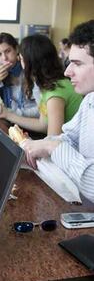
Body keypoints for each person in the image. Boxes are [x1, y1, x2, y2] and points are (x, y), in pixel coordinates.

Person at [23, 20, 94, 204]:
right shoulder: (90, 100)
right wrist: (39, 145)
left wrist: (51, 147)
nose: (68, 71)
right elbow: (69, 136)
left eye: (77, 64)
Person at [0, 34, 82, 136]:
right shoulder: (48, 84)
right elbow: (43, 124)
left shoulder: (55, 92)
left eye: (21, 59)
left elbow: (53, 139)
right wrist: (7, 115)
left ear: (30, 62)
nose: (19, 61)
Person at [0, 32, 40, 118]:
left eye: (8, 51)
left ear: (16, 49)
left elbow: (42, 110)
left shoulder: (29, 69)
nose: (4, 58)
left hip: (29, 123)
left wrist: (12, 114)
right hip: (8, 122)